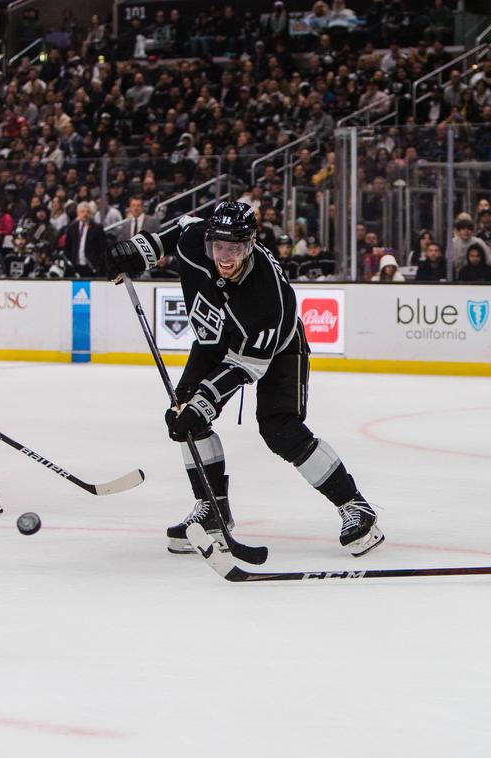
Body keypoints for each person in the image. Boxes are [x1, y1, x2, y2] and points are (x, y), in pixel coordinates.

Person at [104, 201, 383, 557]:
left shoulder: (267, 297)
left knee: (280, 428)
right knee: (184, 417)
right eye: (217, 247)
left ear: (250, 244)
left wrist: (206, 400)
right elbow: (177, 232)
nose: (224, 256)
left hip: (277, 348)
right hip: (213, 340)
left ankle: (355, 506)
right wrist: (137, 251)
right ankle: (213, 511)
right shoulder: (196, 237)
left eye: (234, 248)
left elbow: (244, 366)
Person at [63, 201, 107, 277]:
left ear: (91, 214)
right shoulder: (72, 228)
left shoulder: (97, 228)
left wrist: (98, 266)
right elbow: (67, 247)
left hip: (91, 266)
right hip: (75, 266)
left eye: (88, 212)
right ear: (78, 213)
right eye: (82, 211)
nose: (85, 214)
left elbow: (102, 249)